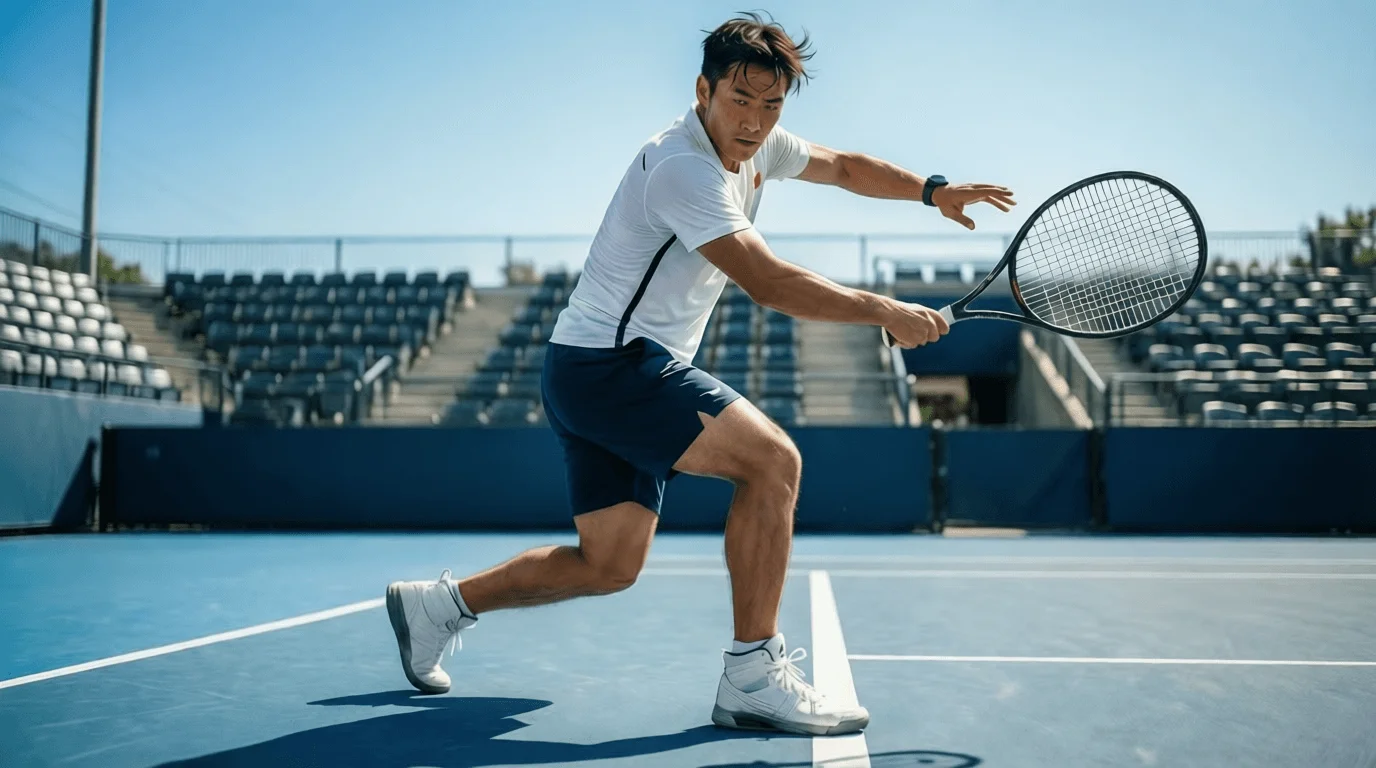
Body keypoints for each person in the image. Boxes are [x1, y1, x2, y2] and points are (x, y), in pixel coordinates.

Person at [384, 12, 1015, 736]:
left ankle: (438, 607)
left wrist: (933, 191)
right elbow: (768, 283)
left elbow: (842, 167)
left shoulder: (758, 147)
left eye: (770, 105)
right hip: (611, 367)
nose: (753, 122)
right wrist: (883, 310)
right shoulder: (682, 167)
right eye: (739, 101)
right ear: (703, 91)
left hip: (588, 368)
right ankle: (753, 674)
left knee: (608, 565)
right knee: (773, 463)